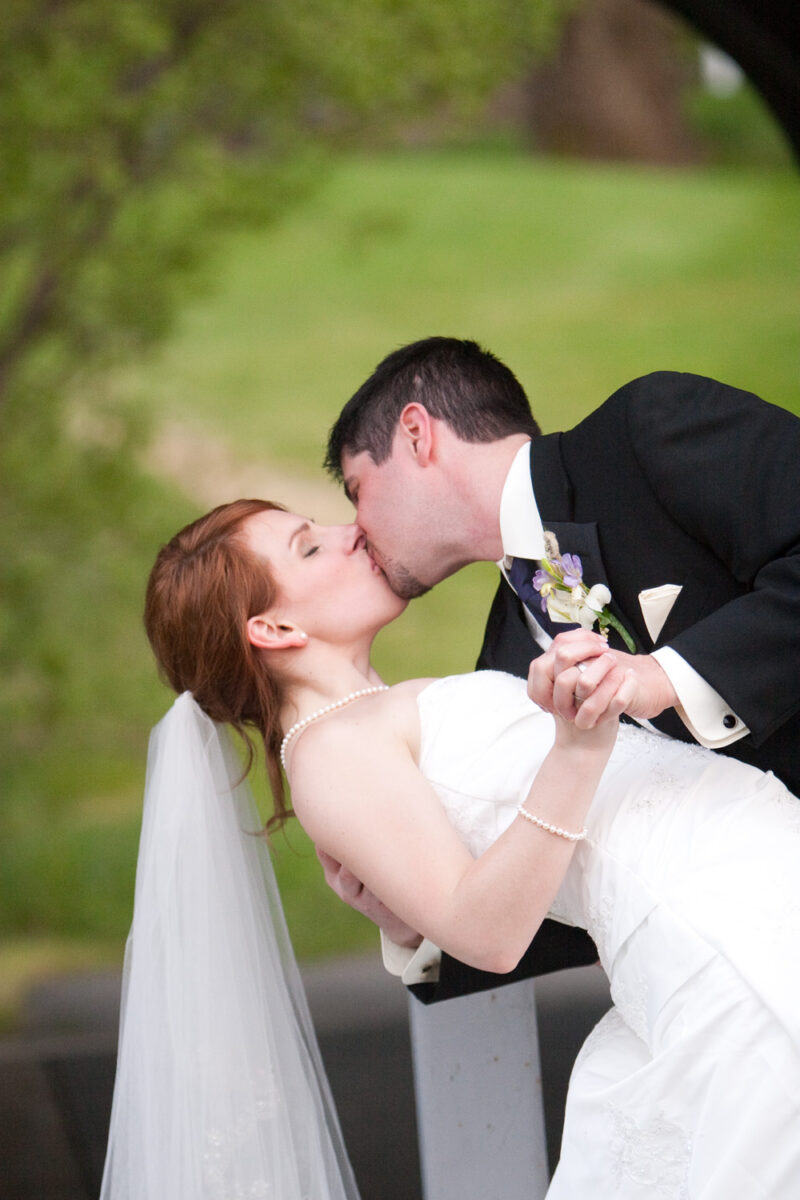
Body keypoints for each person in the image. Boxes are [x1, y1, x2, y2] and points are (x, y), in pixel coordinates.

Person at [102, 497, 800, 1197]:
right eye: (310, 547)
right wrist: (578, 749)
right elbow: (484, 933)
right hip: (724, 933)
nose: (351, 534)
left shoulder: (374, 714)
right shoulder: (328, 751)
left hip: (752, 880)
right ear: (275, 627)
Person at [322, 336, 800, 1002]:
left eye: (356, 489)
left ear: (415, 434)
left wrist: (663, 678)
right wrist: (413, 927)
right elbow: (602, 878)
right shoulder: (505, 665)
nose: (357, 530)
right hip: (755, 964)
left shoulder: (650, 431)